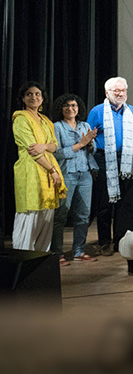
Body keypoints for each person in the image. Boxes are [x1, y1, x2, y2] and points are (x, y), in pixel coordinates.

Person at [87, 76, 133, 255]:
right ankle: (104, 241)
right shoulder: (97, 111)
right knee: (105, 203)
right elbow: (88, 136)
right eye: (116, 91)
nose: (120, 93)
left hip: (127, 160)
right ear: (107, 93)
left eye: (123, 90)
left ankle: (120, 240)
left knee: (123, 203)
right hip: (104, 159)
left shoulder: (132, 111)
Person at [12, 82, 67, 252]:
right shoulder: (21, 118)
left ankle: (40, 263)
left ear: (42, 99)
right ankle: (23, 261)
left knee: (46, 217)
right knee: (30, 216)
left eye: (37, 94)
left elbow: (54, 145)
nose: (34, 97)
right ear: (23, 98)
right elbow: (32, 150)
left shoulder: (46, 120)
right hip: (31, 171)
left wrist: (44, 147)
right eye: (29, 94)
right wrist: (52, 170)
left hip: (49, 171)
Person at [52, 94, 98, 263]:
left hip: (85, 173)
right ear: (61, 108)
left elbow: (90, 151)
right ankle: (57, 253)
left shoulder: (84, 125)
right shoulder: (57, 127)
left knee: (84, 215)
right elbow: (56, 153)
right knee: (61, 215)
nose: (71, 108)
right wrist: (80, 144)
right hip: (66, 174)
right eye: (66, 106)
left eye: (74, 105)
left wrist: (90, 143)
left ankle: (79, 251)